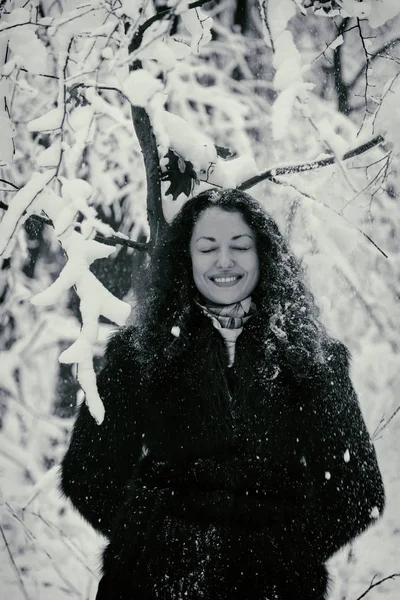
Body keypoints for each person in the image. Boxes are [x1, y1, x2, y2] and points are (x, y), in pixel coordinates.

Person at [60, 188, 385, 600]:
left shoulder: (314, 360)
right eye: (207, 247)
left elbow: (358, 492)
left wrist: (280, 553)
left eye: (240, 246)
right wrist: (156, 543)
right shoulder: (140, 354)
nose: (224, 260)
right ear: (187, 258)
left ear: (263, 255)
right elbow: (88, 474)